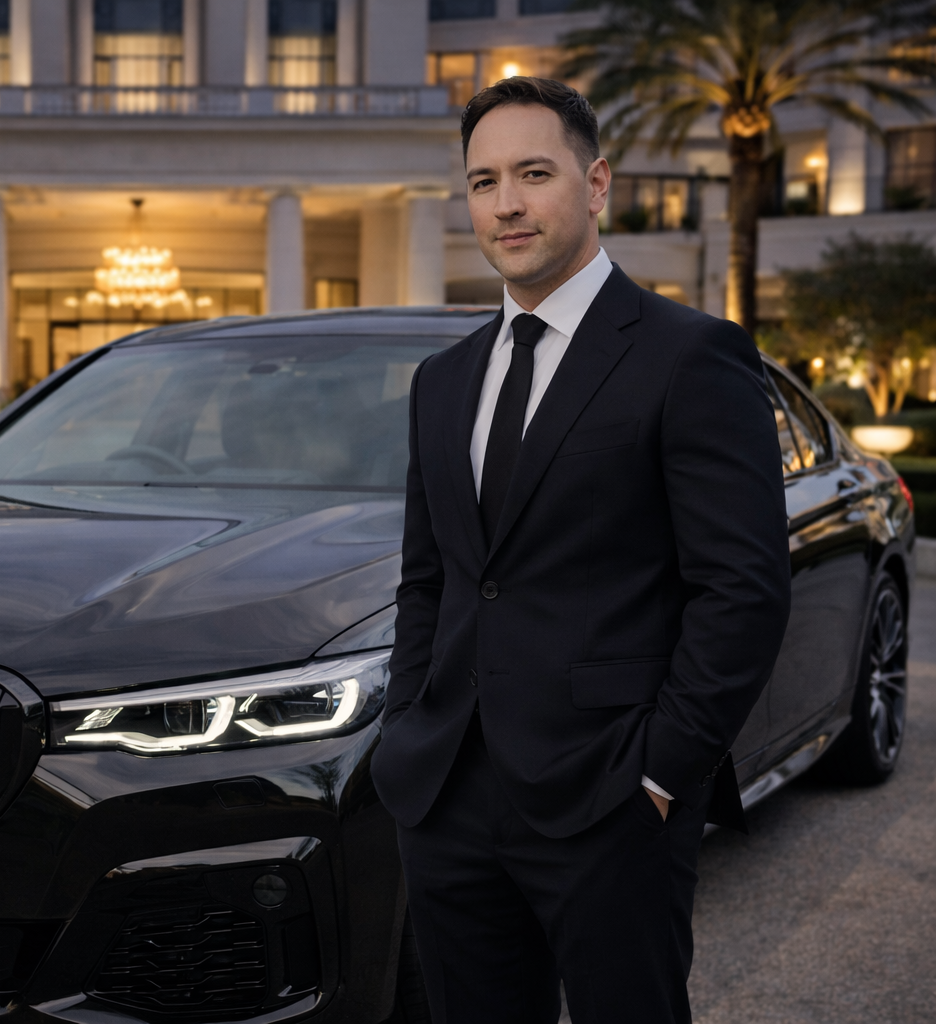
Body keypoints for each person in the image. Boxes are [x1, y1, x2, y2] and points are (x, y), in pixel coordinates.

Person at [372, 77, 791, 1023]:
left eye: (534, 173)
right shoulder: (442, 380)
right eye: (483, 182)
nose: (506, 204)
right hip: (445, 798)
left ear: (596, 183)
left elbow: (743, 590)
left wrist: (659, 774)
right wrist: (406, 730)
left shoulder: (691, 355)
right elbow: (430, 581)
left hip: (612, 798)